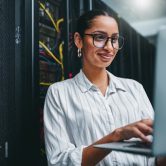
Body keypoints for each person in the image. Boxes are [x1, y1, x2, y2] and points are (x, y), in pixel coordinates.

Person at [44, 9, 166, 166]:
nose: (109, 47)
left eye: (114, 39)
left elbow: (154, 158)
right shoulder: (59, 93)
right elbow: (59, 162)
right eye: (100, 37)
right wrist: (116, 135)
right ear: (78, 40)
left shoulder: (135, 88)